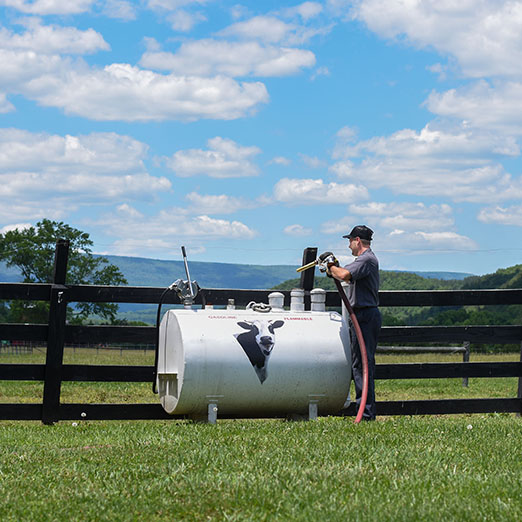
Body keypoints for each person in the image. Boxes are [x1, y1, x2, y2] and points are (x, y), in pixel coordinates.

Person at [320, 225, 381, 421]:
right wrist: (333, 269)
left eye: (349, 241)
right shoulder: (364, 260)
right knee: (360, 364)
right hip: (361, 316)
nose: (348, 246)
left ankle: (365, 413)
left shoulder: (366, 260)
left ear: (357, 240)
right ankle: (364, 411)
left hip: (364, 316)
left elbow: (344, 275)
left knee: (363, 365)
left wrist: (330, 267)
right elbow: (343, 273)